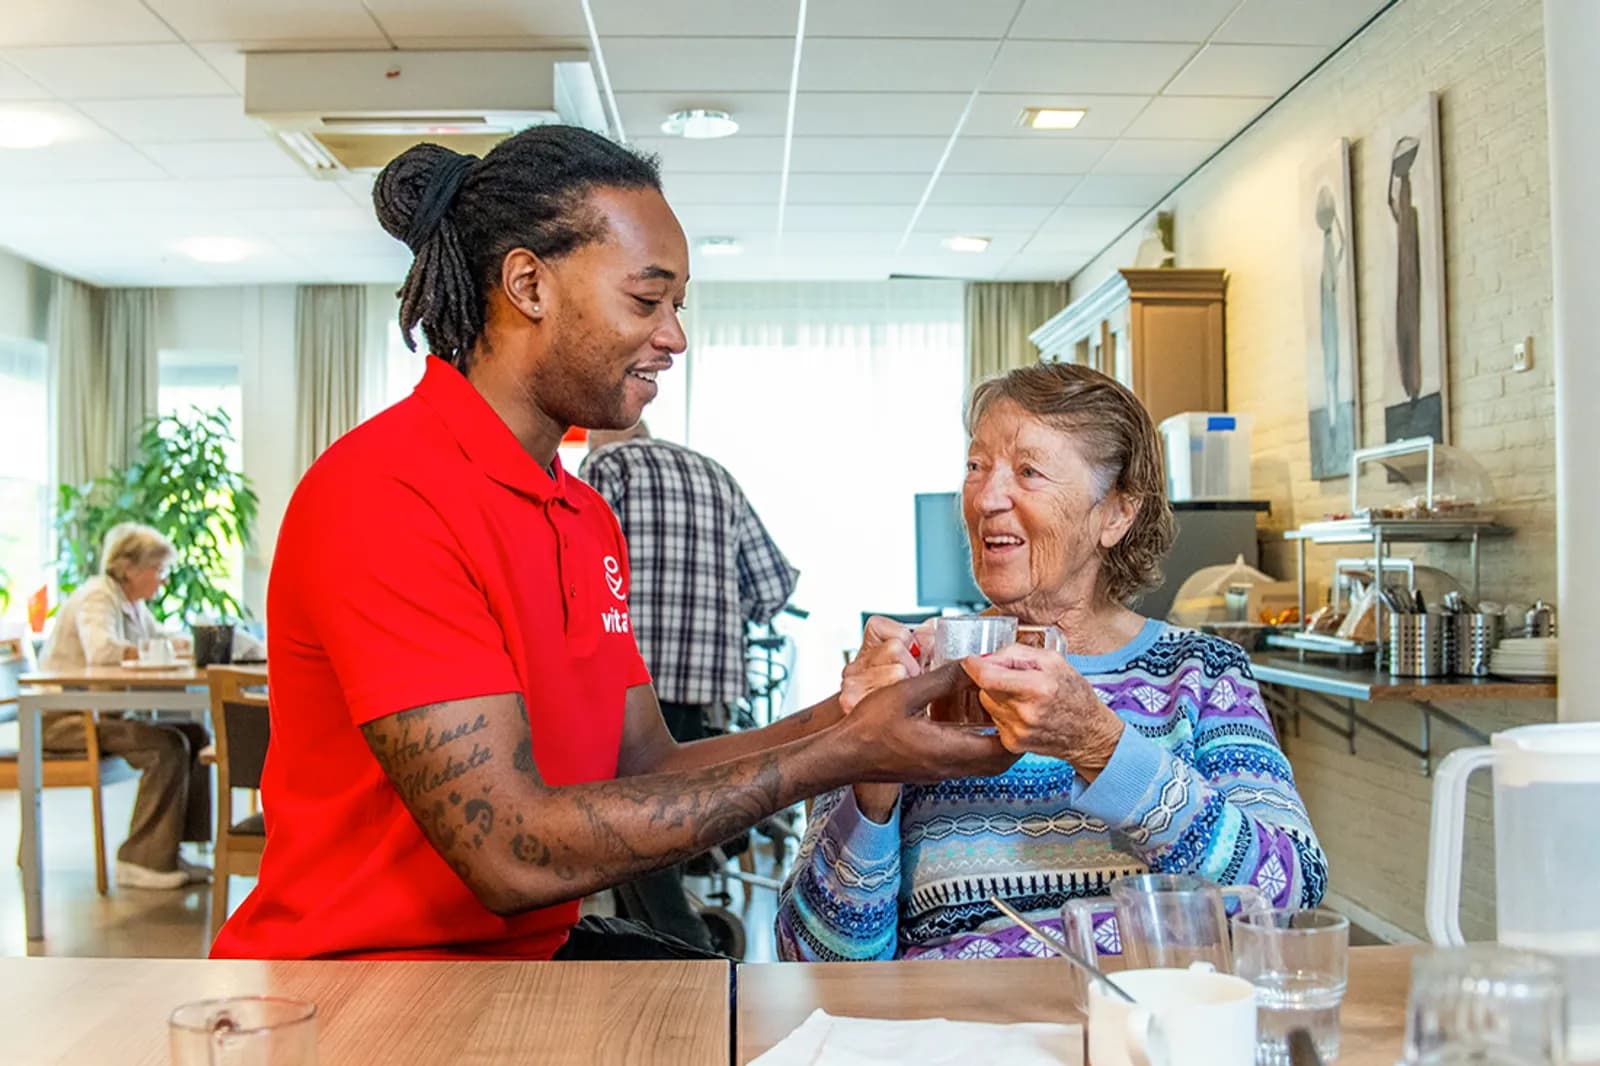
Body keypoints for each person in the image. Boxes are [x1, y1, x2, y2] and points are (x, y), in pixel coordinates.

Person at [211, 125, 1015, 962]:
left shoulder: (583, 514)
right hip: (366, 987)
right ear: (528, 284)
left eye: (678, 307)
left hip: (515, 964)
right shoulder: (388, 494)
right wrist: (842, 754)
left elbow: (645, 768)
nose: (675, 338)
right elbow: (507, 853)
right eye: (646, 300)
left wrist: (853, 715)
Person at [776, 362, 1327, 962]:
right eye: (975, 466)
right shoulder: (911, 676)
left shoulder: (1202, 675)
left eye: (1029, 472)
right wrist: (871, 781)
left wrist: (1101, 746)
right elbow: (816, 963)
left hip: (1144, 1026)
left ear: (1116, 514)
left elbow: (1288, 894)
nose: (986, 498)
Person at [580, 420, 799, 950]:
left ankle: (689, 946)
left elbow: (571, 571)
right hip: (706, 687)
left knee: (628, 825)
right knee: (645, 824)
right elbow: (773, 589)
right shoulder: (716, 477)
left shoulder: (604, 470)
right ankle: (665, 950)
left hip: (626, 681)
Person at [39, 523, 212, 890]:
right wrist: (156, 651)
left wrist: (185, 642)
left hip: (98, 714)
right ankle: (140, 859)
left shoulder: (131, 603)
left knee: (195, 733)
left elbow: (160, 637)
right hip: (66, 720)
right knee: (166, 746)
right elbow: (102, 651)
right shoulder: (98, 597)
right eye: (158, 569)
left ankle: (169, 850)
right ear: (130, 568)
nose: (162, 580)